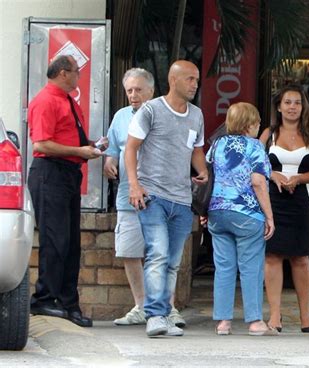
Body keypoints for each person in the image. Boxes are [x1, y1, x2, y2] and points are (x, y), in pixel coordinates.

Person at [124, 60, 207, 337]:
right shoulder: (151, 110)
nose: (195, 84)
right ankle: (155, 315)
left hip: (182, 199)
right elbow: (131, 148)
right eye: (190, 79)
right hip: (153, 195)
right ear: (173, 80)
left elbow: (196, 147)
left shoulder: (196, 114)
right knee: (157, 254)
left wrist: (203, 170)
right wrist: (134, 186)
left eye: (196, 79)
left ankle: (165, 312)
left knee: (172, 261)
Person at [104, 68, 186, 327]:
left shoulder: (166, 112)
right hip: (129, 195)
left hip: (161, 195)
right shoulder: (120, 117)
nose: (133, 95)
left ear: (152, 90)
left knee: (162, 254)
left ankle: (167, 308)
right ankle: (141, 305)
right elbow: (115, 147)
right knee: (130, 251)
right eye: (129, 90)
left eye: (139, 89)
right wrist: (109, 159)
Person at [28, 55, 105, 327]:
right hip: (51, 173)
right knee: (55, 239)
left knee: (71, 242)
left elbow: (68, 137)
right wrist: (79, 151)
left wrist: (93, 145)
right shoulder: (46, 100)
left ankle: (68, 302)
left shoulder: (67, 101)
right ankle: (45, 299)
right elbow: (41, 145)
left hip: (68, 174)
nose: (78, 77)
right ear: (63, 73)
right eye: (76, 72)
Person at [260, 84, 309, 333]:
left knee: (300, 257)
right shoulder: (269, 133)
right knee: (272, 256)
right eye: (287, 102)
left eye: (297, 102)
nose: (292, 107)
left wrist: (299, 179)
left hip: (300, 200)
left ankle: (305, 314)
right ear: (279, 106)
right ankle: (275, 315)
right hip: (273, 201)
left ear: (303, 106)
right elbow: (254, 164)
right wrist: (273, 174)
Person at [207, 102, 277, 336]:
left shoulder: (217, 144)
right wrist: (269, 216)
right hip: (246, 213)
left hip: (217, 211)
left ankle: (223, 322)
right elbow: (258, 182)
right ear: (249, 125)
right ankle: (255, 321)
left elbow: (208, 175)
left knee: (224, 267)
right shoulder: (255, 147)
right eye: (257, 123)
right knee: (251, 267)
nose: (259, 126)